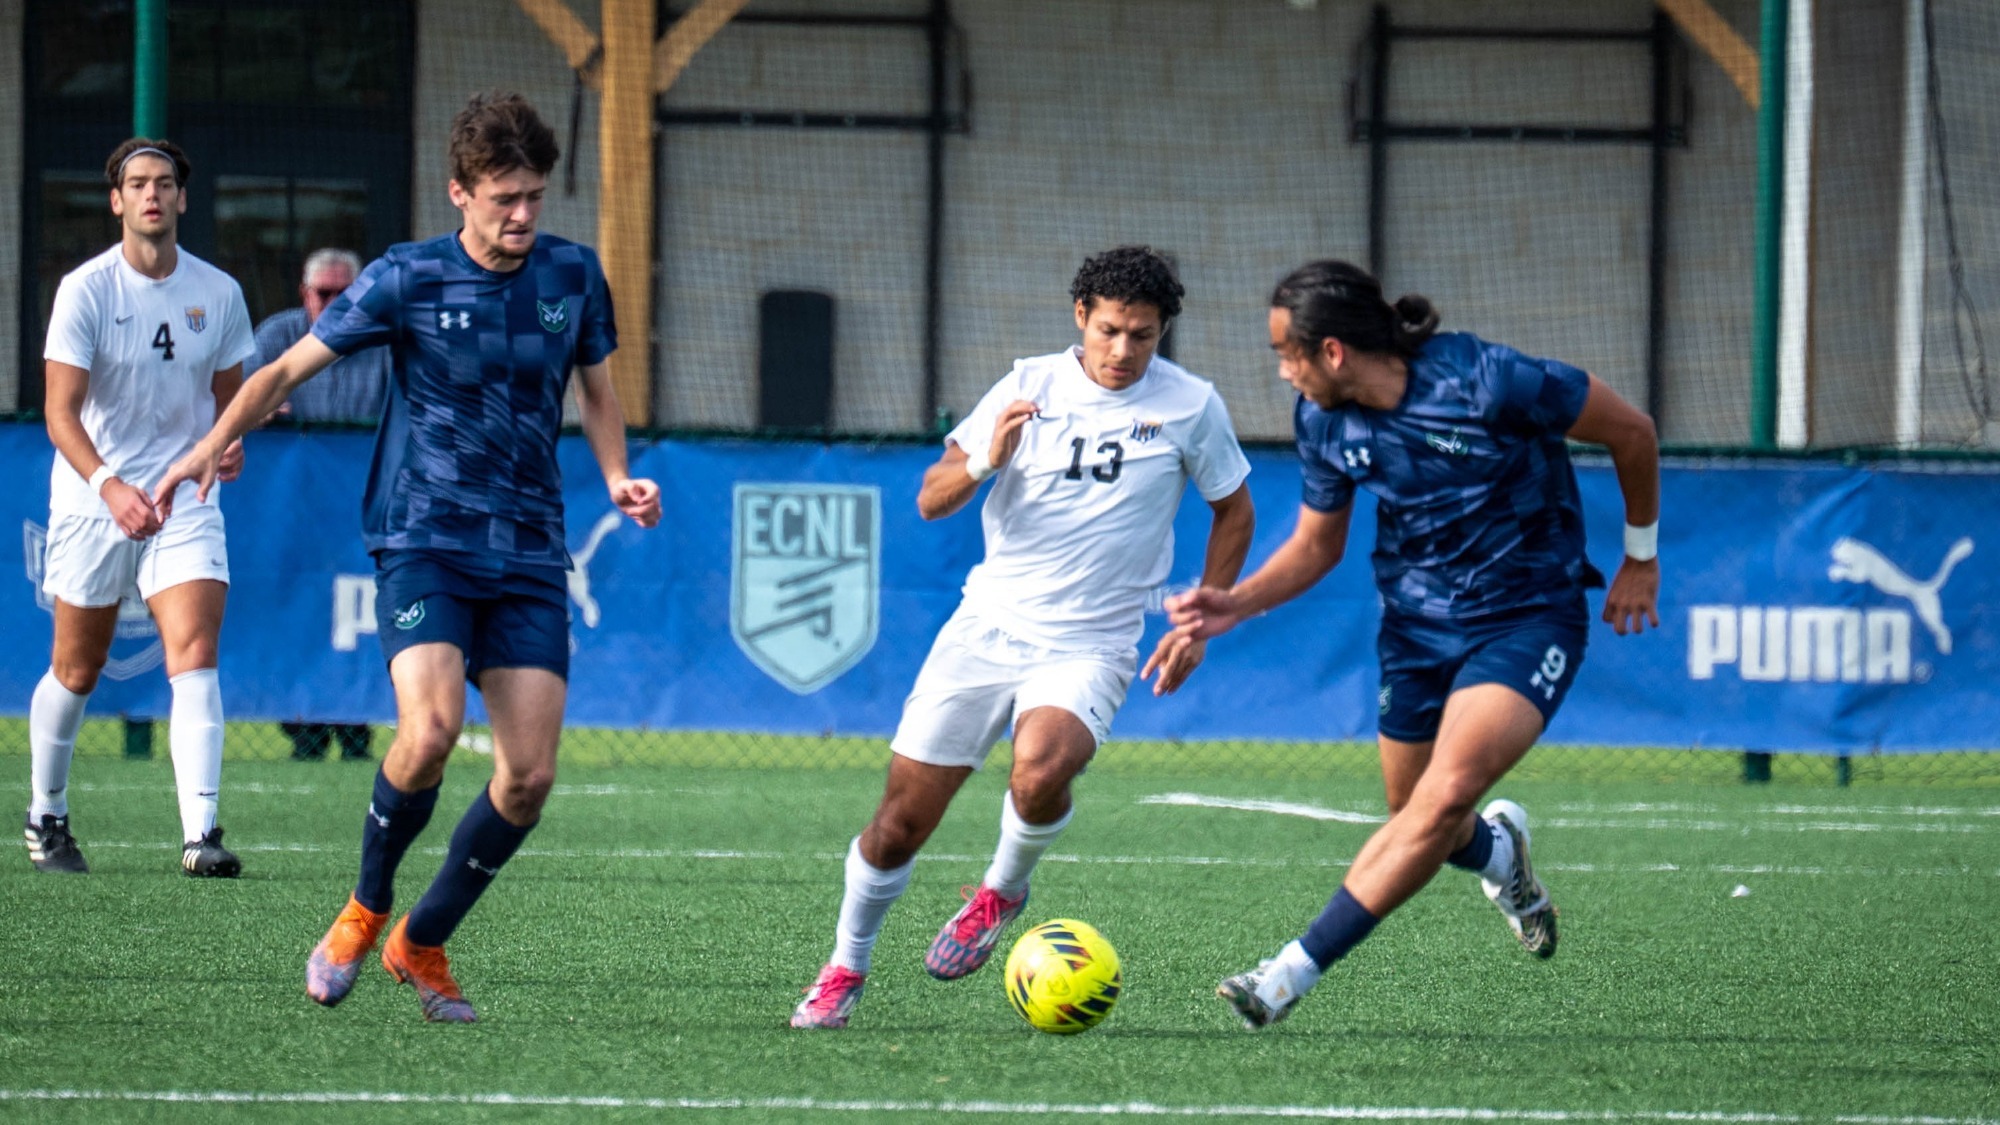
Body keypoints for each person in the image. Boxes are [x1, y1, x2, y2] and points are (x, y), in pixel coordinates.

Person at [153, 92, 662, 1023]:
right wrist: (209, 441)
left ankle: (421, 941)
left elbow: (596, 390)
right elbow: (283, 370)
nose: (522, 215)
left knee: (529, 777)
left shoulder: (574, 276)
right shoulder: (407, 277)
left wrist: (620, 473)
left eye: (535, 197)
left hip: (529, 550)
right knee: (426, 734)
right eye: (504, 197)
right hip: (424, 539)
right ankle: (363, 909)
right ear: (459, 191)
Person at [1163, 260, 1661, 1029]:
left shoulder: (1487, 379)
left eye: (1285, 354)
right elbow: (1316, 545)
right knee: (1416, 813)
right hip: (1416, 628)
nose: (1283, 372)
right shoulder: (1324, 421)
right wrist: (1238, 601)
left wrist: (1640, 554)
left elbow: (1632, 430)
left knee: (1439, 799)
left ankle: (1285, 974)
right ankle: (1502, 858)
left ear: (1332, 351)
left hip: (1527, 617)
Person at [790, 246, 1257, 1030]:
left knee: (1041, 768)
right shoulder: (1025, 385)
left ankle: (1001, 889)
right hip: (988, 628)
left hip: (1095, 641)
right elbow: (931, 500)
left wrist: (1207, 616)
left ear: (1162, 331)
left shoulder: (1191, 405)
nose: (1123, 350)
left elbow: (1235, 509)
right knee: (899, 824)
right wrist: (983, 458)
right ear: (1081, 317)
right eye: (1110, 330)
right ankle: (844, 965)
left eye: (1142, 335)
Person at [27, 138, 256, 878]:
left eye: (164, 183)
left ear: (182, 200)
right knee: (77, 666)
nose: (152, 194)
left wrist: (228, 443)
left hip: (182, 499)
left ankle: (201, 834)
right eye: (137, 183)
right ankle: (47, 816)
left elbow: (230, 401)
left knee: (194, 653)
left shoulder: (217, 293)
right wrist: (110, 488)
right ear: (117, 200)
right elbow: (60, 415)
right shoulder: (85, 290)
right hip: (96, 500)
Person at [250, 247, 392, 762]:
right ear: (305, 295)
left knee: (361, 619)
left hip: (361, 513)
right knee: (295, 617)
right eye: (323, 293)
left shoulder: (383, 338)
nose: (333, 303)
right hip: (293, 515)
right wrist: (261, 411)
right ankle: (302, 727)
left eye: (343, 293)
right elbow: (238, 396)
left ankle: (357, 726)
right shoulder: (278, 335)